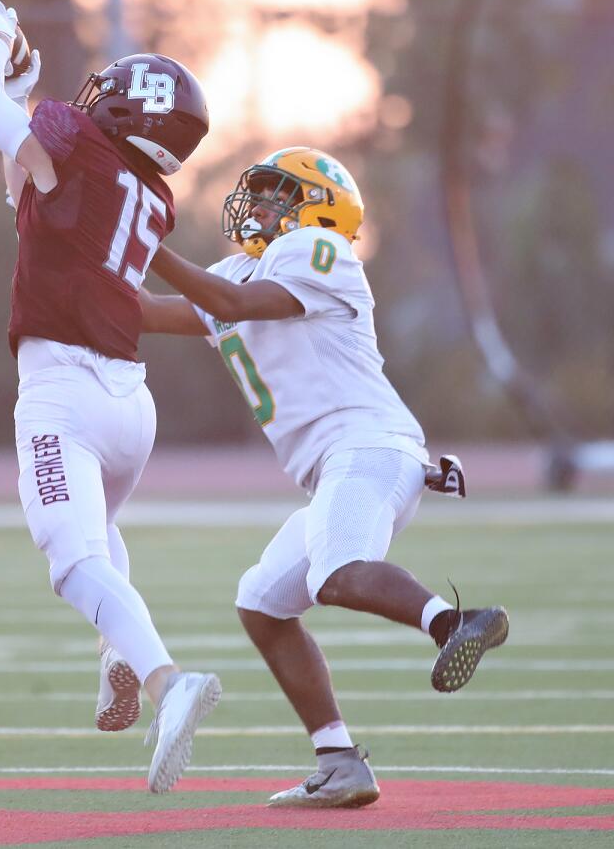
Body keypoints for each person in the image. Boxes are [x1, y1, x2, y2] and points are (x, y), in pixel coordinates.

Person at [139, 146, 510, 808]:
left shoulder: (319, 250)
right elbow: (142, 311)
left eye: (275, 194)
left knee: (334, 573)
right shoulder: (239, 268)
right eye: (257, 193)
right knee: (262, 602)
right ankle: (340, 761)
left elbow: (229, 300)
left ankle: (455, 620)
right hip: (340, 465)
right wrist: (75, 259)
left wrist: (141, 238)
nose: (256, 205)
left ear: (317, 205)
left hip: (365, 445)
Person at [0, 0, 221, 793]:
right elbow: (24, 195)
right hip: (128, 406)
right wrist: (21, 82)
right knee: (98, 537)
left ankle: (169, 683)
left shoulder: (79, 149)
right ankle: (118, 658)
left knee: (73, 566)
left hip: (64, 390)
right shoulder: (143, 194)